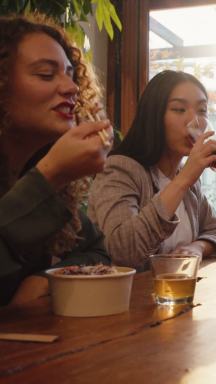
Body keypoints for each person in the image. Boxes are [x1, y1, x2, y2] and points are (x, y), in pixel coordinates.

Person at [0, 14, 113, 306]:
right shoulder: (48, 171)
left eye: (70, 74)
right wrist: (50, 175)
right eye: (46, 74)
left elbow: (98, 251)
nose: (72, 88)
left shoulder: (37, 167)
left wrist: (48, 277)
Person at [88, 70, 216, 271]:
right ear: (154, 115)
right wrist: (184, 180)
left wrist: (197, 247)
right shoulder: (120, 169)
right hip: (126, 299)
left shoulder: (185, 177)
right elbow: (123, 252)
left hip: (180, 296)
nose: (194, 120)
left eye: (201, 110)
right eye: (179, 109)